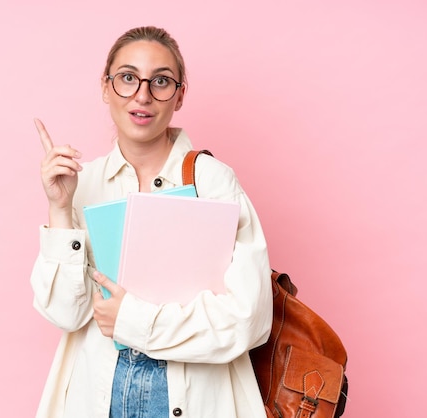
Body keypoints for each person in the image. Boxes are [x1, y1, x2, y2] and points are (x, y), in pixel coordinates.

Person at [30, 26, 273, 418]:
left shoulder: (212, 181)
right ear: (106, 87)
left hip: (193, 398)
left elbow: (249, 319)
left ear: (179, 95)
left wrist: (133, 321)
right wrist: (60, 208)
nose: (142, 95)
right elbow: (65, 314)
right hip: (97, 397)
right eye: (128, 78)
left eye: (160, 81)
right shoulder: (81, 184)